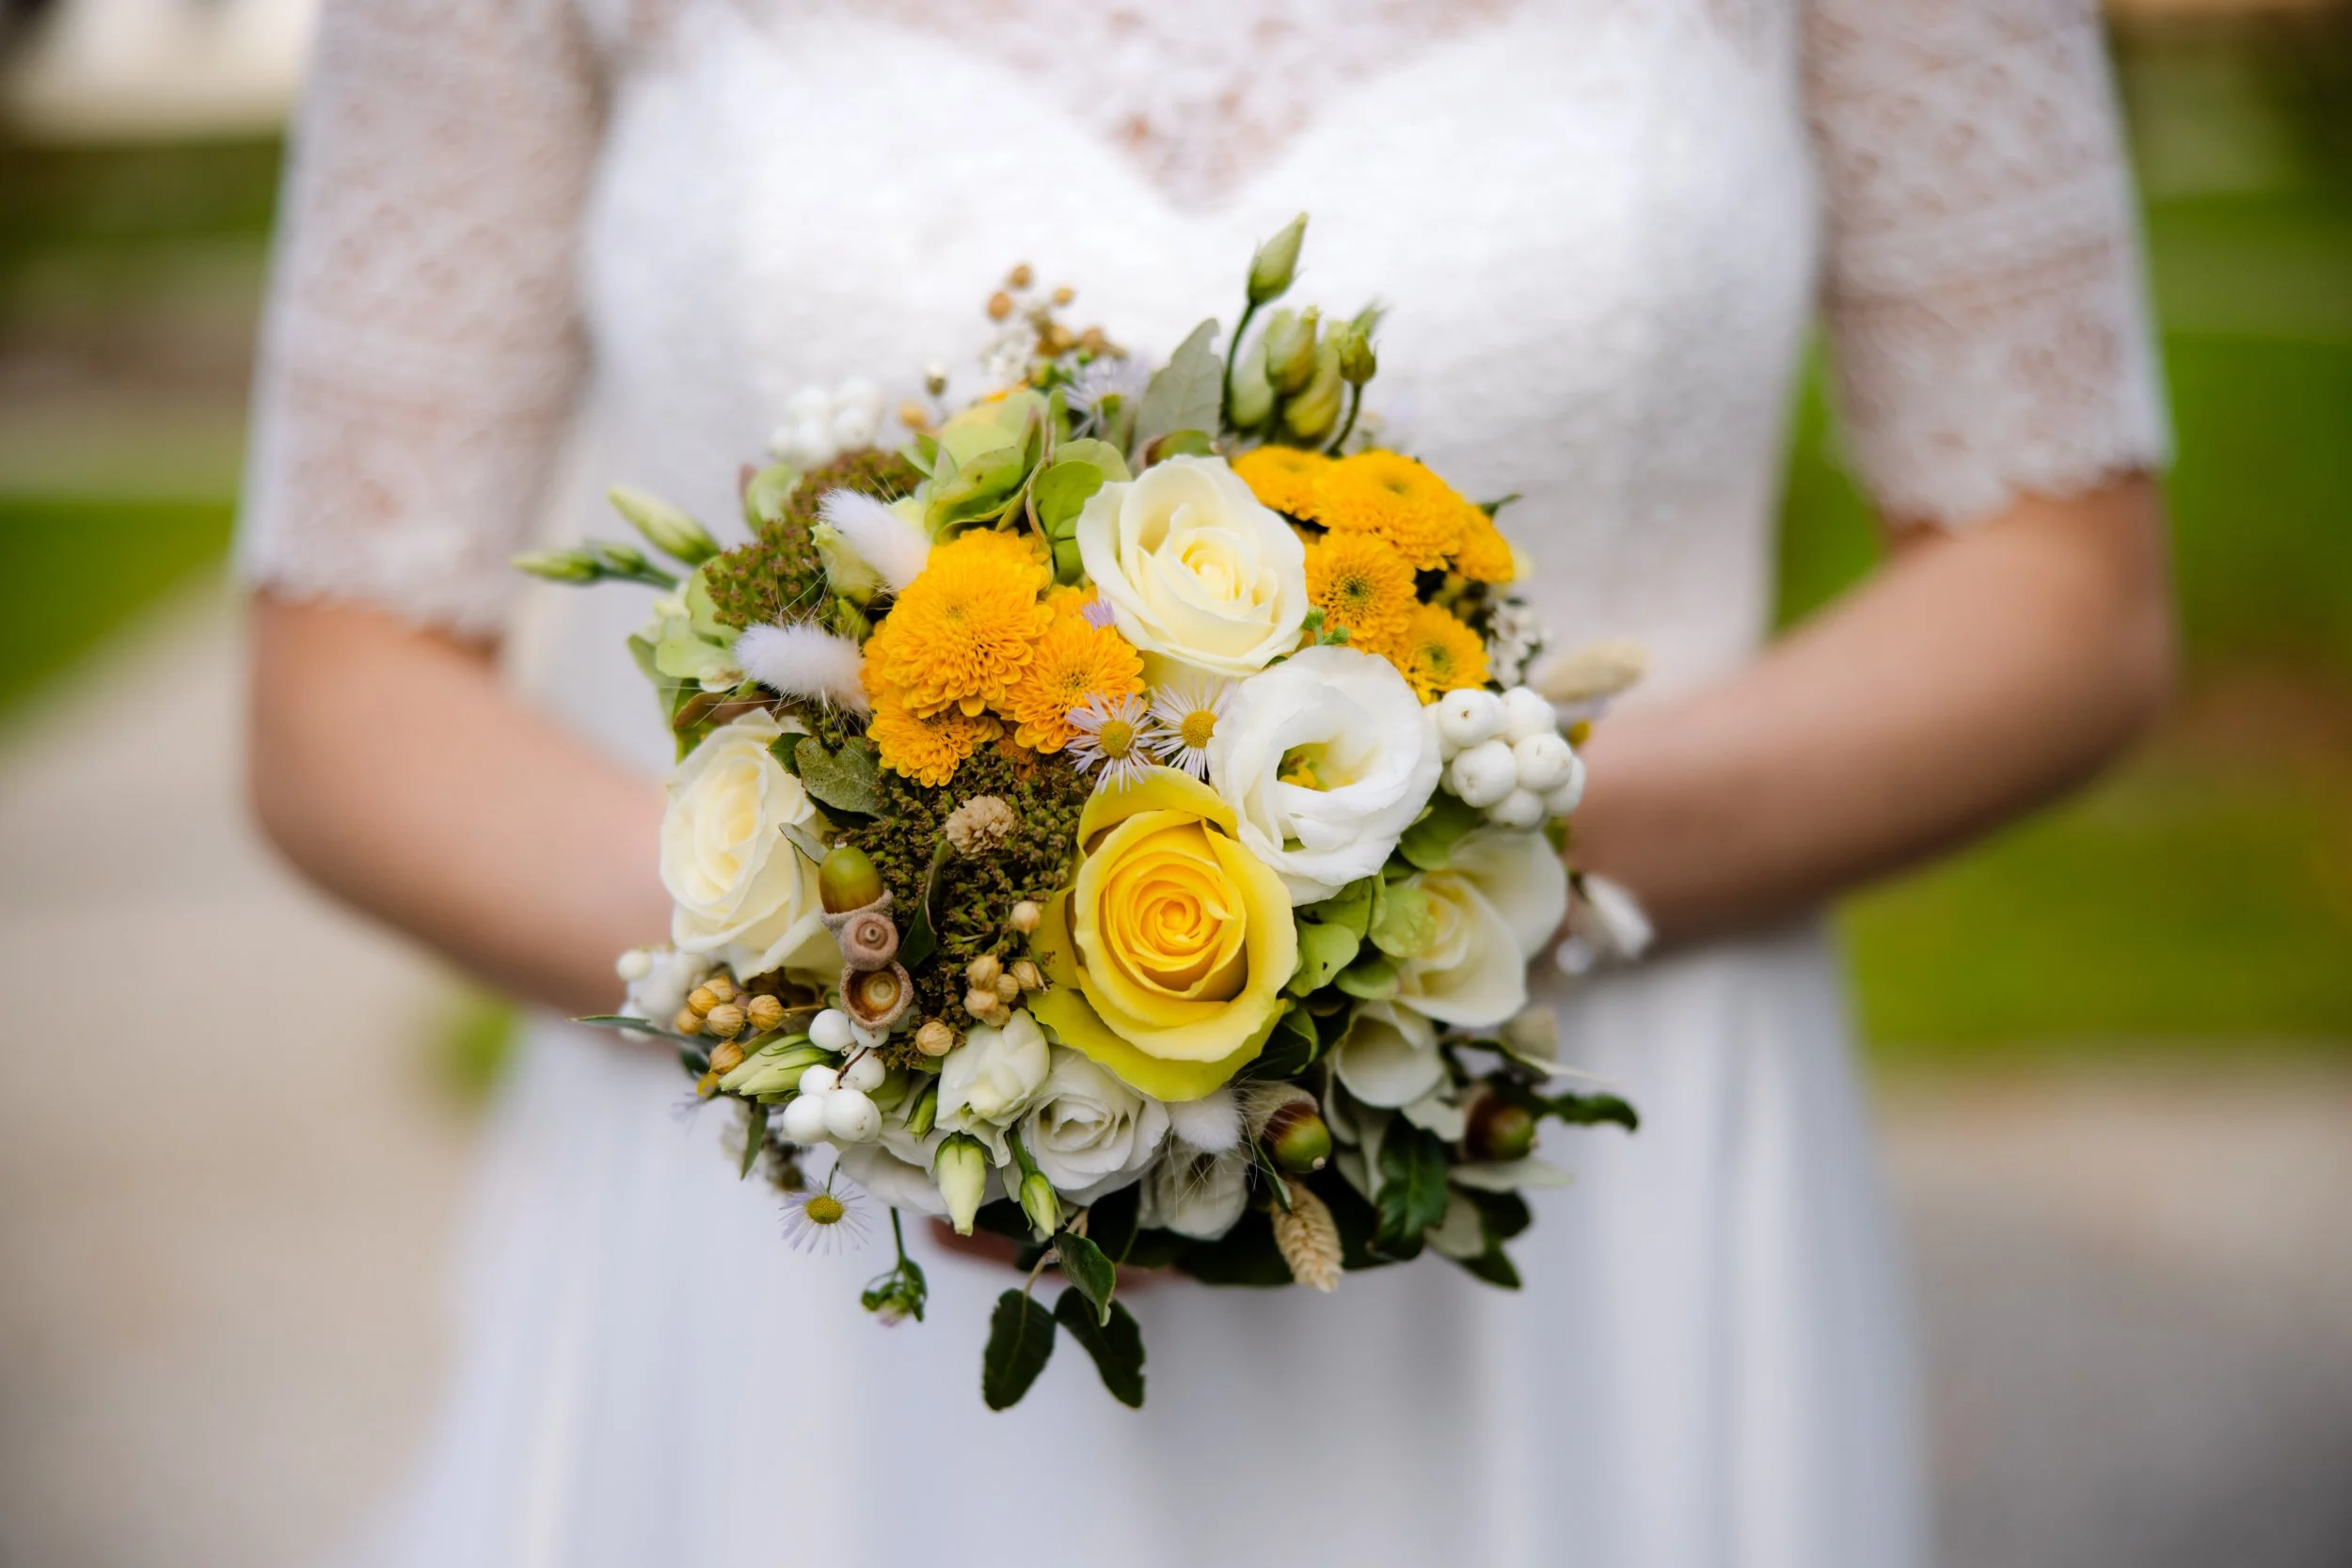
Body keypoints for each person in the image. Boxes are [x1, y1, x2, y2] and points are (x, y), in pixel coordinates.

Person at [240, 3, 2173, 1564]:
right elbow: (343, 692)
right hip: (810, 1275)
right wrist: (902, 1008)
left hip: (1590, 1222)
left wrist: (1414, 896)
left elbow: (2061, 592)